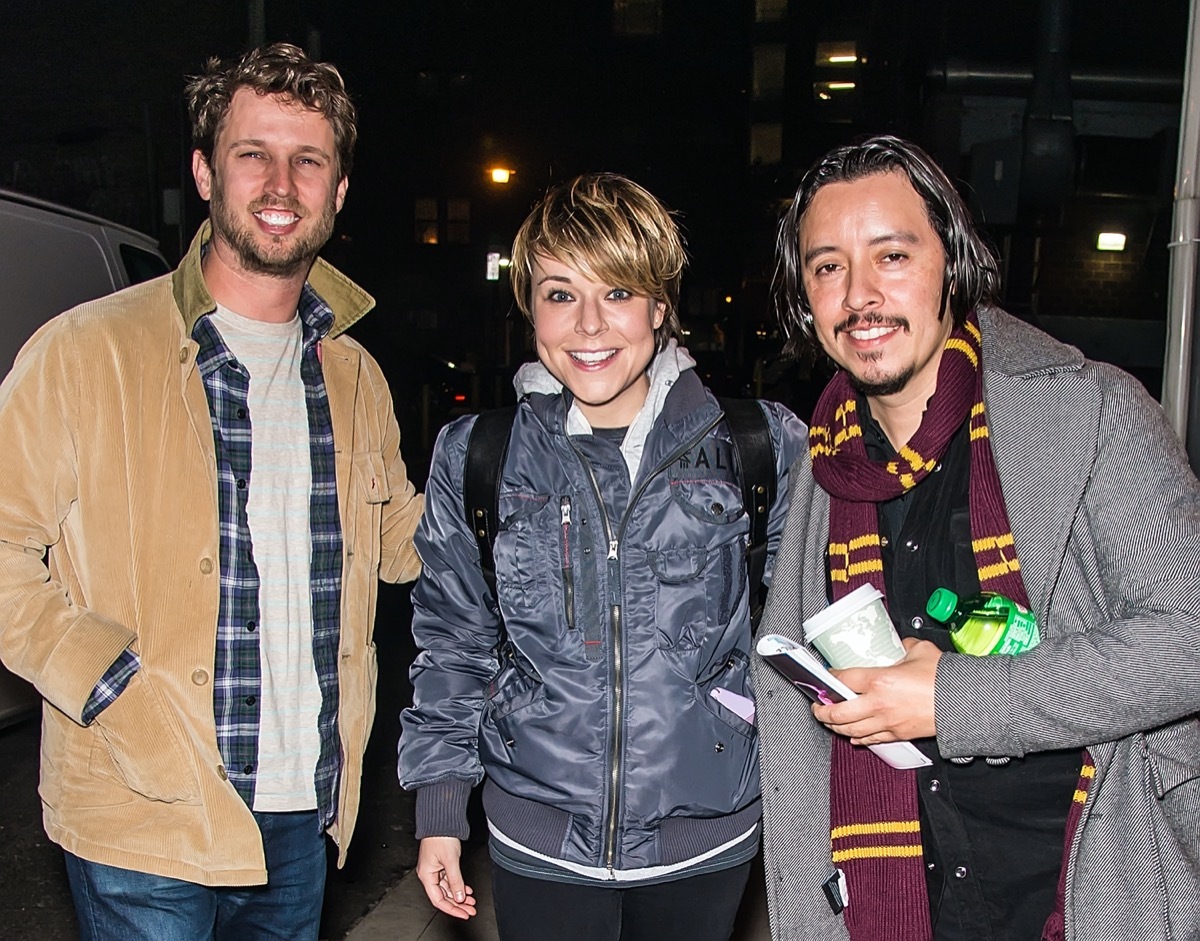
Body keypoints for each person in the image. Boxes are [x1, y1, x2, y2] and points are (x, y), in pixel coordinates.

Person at [0, 43, 424, 940]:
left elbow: (400, 546)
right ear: (203, 172)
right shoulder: (86, 350)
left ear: (338, 190)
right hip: (141, 805)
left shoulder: (355, 376)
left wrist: (527, 455)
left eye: (309, 160)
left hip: (300, 813)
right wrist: (110, 686)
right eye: (252, 154)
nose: (281, 181)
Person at [754, 132, 1200, 941]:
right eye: (827, 266)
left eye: (892, 256)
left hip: (1076, 892)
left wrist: (947, 698)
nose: (859, 294)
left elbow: (1191, 638)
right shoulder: (821, 469)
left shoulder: (1089, 410)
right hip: (895, 907)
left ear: (952, 264)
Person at [397, 172, 807, 940]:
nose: (588, 324)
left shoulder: (760, 446)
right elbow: (453, 642)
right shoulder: (479, 454)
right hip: (538, 833)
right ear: (528, 308)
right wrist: (441, 806)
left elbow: (801, 636)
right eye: (559, 294)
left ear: (659, 305)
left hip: (707, 834)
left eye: (617, 292)